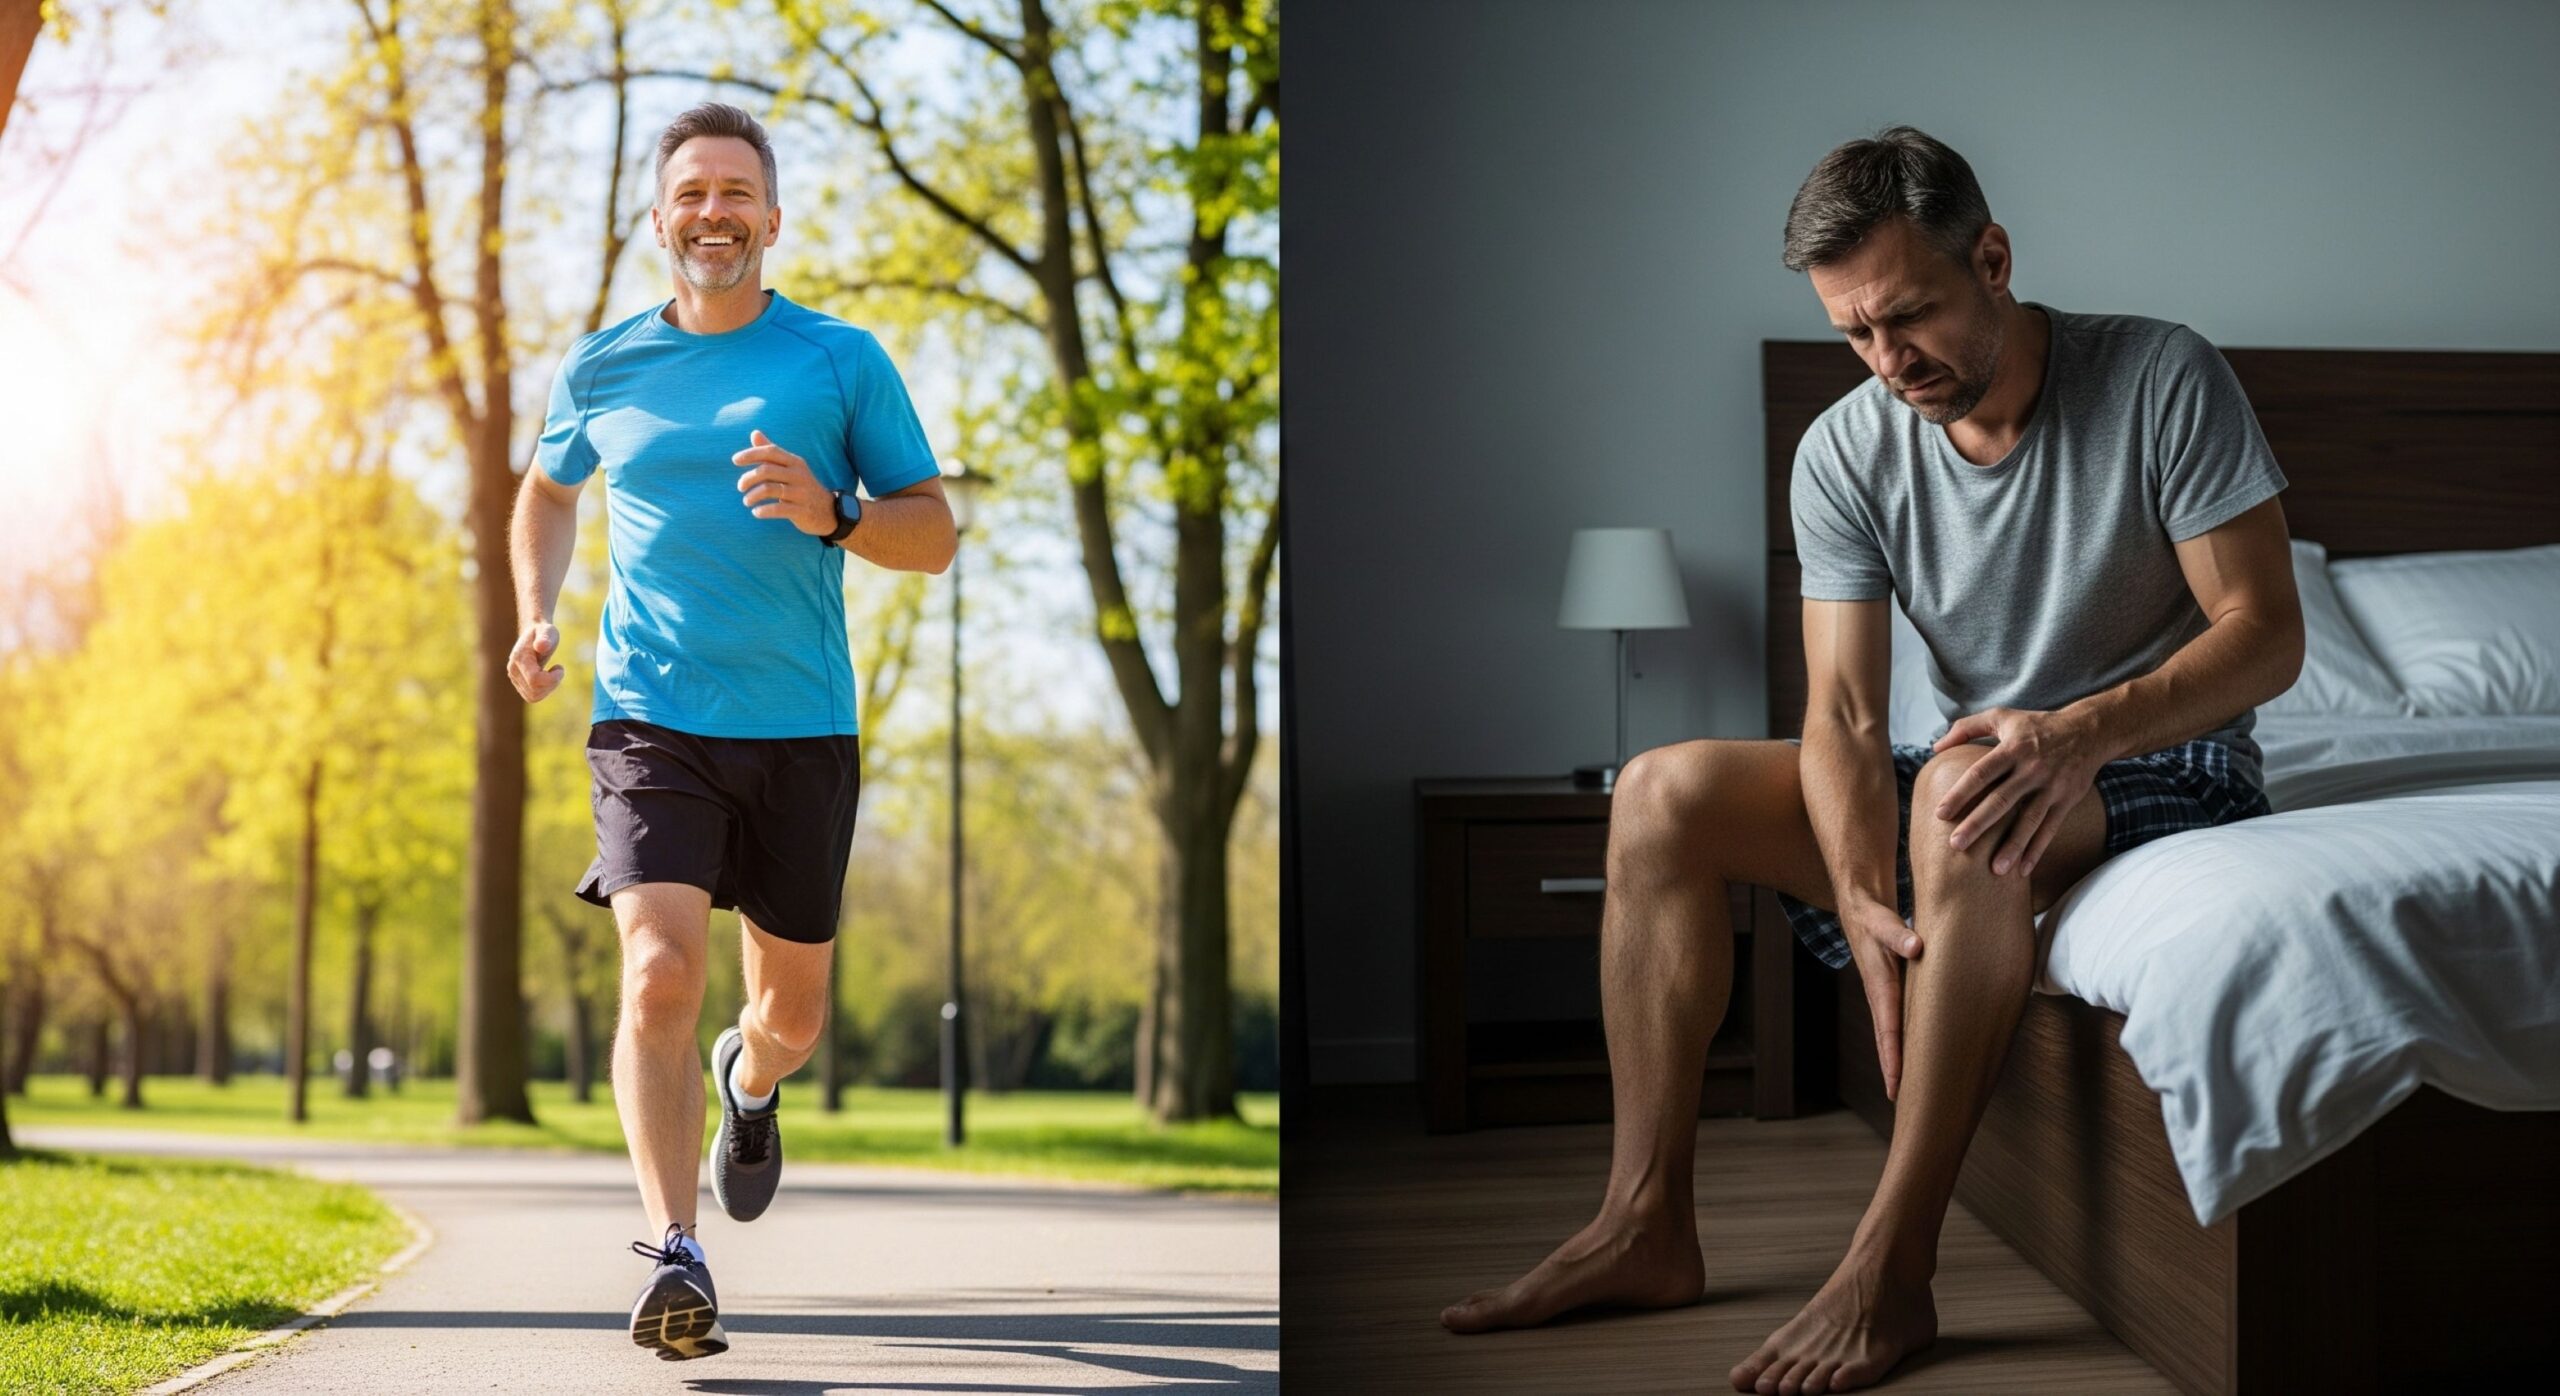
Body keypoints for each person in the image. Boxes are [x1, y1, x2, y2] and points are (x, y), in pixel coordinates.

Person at [1439, 126, 2305, 1395]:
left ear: (1993, 260)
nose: (1889, 362)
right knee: (1660, 789)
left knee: (1959, 791)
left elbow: (2264, 635)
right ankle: (1642, 1222)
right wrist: (1854, 888)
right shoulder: (1842, 450)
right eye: (1855, 332)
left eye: (1910, 317)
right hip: (1958, 767)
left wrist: (2071, 732)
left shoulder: (2160, 376)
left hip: (2163, 761)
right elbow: (1842, 713)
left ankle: (1892, 1266)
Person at [506, 101, 957, 1362]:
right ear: (659, 218)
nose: (714, 213)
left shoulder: (838, 361)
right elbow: (544, 492)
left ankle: (747, 1085)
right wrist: (536, 611)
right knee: (655, 970)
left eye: (735, 192)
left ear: (772, 215)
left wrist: (838, 512)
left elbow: (931, 535)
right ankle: (672, 1247)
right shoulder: (602, 367)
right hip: (649, 715)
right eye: (692, 193)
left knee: (793, 1016)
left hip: (801, 725)